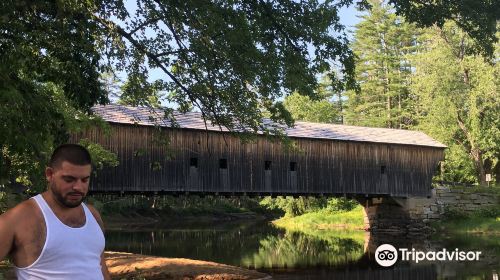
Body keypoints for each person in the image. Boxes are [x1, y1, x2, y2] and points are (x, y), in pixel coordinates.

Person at [0, 144, 111, 279]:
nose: (78, 187)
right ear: (50, 174)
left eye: (84, 180)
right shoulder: (18, 219)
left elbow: (100, 268)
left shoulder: (93, 215)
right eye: (69, 179)